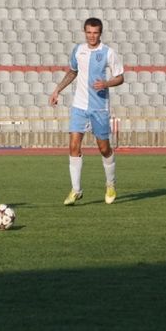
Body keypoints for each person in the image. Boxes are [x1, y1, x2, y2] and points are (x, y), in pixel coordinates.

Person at [48, 17, 124, 206]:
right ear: (84, 32)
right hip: (79, 106)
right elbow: (72, 72)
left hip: (99, 108)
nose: (92, 36)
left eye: (95, 33)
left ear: (100, 33)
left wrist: (106, 83)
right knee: (74, 145)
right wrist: (57, 90)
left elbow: (120, 77)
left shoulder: (108, 52)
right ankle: (76, 189)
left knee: (104, 149)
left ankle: (110, 184)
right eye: (89, 32)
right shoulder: (78, 50)